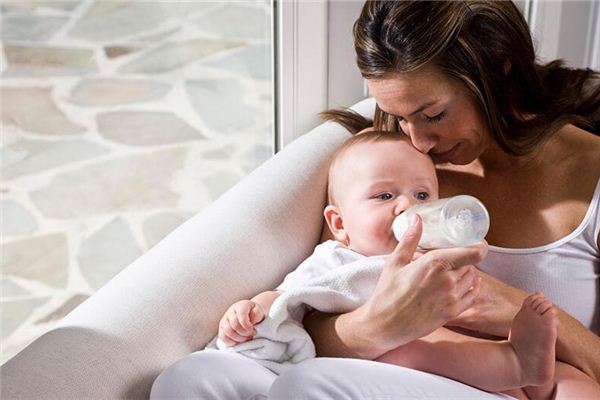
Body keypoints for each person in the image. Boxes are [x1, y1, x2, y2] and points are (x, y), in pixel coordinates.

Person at [151, 1, 600, 398]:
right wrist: (379, 325)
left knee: (309, 387)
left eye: (433, 115)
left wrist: (521, 311)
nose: (419, 141)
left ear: (500, 69)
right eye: (400, 117)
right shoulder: (388, 162)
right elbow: (324, 298)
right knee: (191, 381)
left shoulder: (590, 176)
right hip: (371, 370)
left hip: (511, 383)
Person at [215, 130, 570, 400]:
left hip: (450, 378)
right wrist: (252, 311)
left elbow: (472, 315)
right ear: (339, 225)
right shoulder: (334, 260)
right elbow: (285, 300)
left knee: (418, 344)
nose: (406, 207)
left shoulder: (435, 257)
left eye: (422, 196)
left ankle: (518, 366)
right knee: (400, 350)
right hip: (374, 376)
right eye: (385, 196)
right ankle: (516, 368)